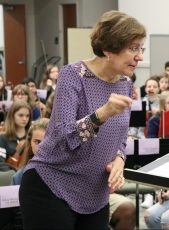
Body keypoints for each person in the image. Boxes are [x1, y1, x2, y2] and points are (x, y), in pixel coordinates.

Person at [19, 10, 146, 230]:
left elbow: (120, 138)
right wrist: (102, 114)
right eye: (133, 48)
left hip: (95, 195)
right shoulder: (73, 75)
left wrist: (119, 159)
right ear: (109, 49)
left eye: (141, 48)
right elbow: (64, 137)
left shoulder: (125, 83)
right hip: (52, 187)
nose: (140, 56)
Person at [0, 101, 32, 172]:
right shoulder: (3, 138)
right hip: (9, 176)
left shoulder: (32, 137)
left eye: (27, 116)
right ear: (12, 116)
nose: (25, 119)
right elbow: (0, 163)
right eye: (21, 115)